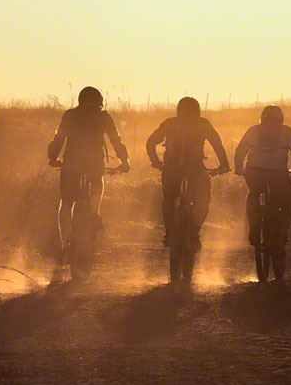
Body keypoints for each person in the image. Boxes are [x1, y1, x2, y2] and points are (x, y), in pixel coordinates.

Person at [47, 86, 130, 261]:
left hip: (71, 164)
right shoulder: (104, 116)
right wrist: (124, 161)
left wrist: (53, 157)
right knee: (98, 183)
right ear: (99, 102)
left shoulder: (69, 115)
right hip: (94, 164)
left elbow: (59, 139)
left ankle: (64, 244)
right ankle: (94, 213)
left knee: (66, 203)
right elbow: (116, 140)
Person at [234, 105, 291, 282]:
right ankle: (280, 235)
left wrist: (239, 169)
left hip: (254, 173)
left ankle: (254, 227)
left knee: (254, 194)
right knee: (287, 204)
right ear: (281, 119)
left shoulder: (252, 131)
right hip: (279, 175)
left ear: (261, 118)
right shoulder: (287, 132)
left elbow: (240, 151)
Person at [146, 96, 231, 251]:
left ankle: (170, 232)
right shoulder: (203, 123)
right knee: (203, 201)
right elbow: (217, 145)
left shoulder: (169, 123)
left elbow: (150, 143)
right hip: (195, 169)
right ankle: (193, 231)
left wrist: (156, 162)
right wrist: (224, 165)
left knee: (169, 199)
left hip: (171, 168)